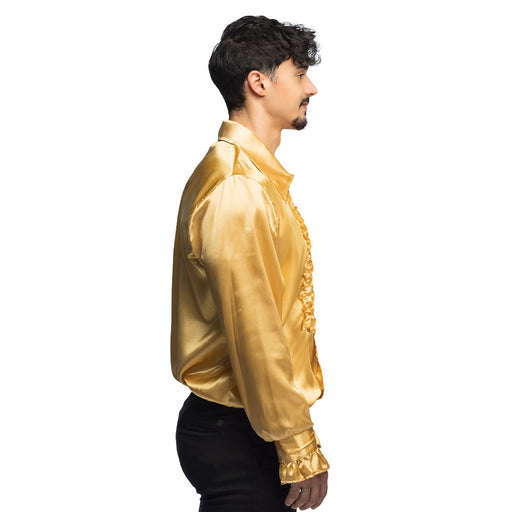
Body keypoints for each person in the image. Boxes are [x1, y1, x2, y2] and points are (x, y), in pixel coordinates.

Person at [170, 15, 329, 511]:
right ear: (258, 83)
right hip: (238, 431)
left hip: (248, 423)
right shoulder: (237, 187)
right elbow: (255, 332)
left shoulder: (251, 178)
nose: (311, 88)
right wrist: (298, 445)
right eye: (299, 74)